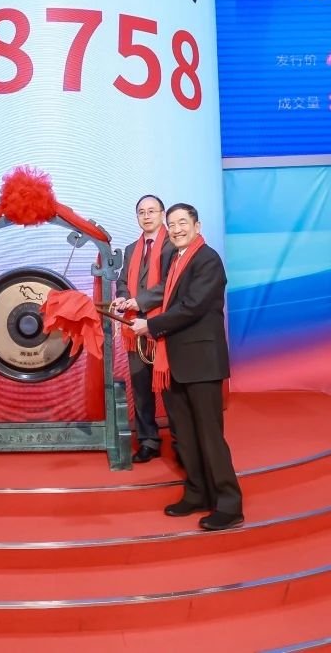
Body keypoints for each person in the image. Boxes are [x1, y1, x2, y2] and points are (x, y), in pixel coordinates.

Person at [130, 203, 243, 531]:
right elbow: (170, 302)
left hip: (202, 363)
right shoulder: (176, 259)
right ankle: (197, 493)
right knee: (186, 435)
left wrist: (150, 326)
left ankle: (229, 505)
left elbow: (192, 307)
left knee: (209, 436)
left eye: (183, 222)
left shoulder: (207, 259)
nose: (177, 229)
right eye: (173, 224)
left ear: (197, 225)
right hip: (175, 362)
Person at [111, 194, 175, 463]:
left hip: (164, 328)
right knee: (140, 389)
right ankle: (149, 441)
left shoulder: (174, 245)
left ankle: (182, 443)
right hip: (134, 328)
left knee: (172, 390)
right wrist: (123, 297)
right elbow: (123, 281)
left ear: (162, 214)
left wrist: (140, 301)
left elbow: (171, 284)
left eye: (152, 211)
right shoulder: (131, 249)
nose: (146, 216)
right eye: (141, 212)